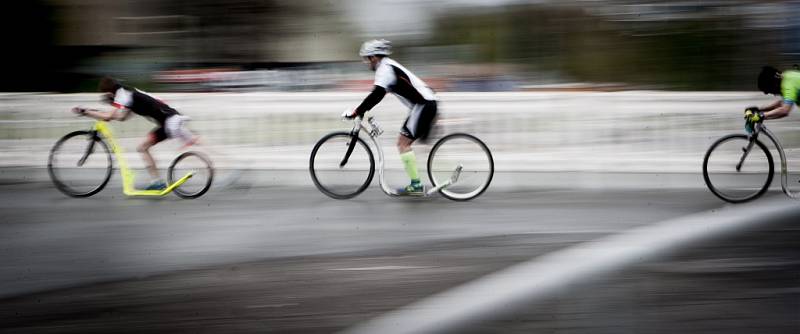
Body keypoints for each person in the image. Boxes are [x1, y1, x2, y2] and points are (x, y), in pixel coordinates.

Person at [343, 39, 438, 196]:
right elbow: (378, 95)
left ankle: (416, 185)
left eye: (367, 59)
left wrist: (357, 111)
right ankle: (424, 177)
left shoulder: (385, 69)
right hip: (425, 104)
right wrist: (361, 109)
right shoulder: (388, 66)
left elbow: (377, 94)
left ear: (374, 57)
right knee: (413, 144)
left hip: (423, 105)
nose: (366, 63)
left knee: (402, 143)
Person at [72, 77, 197, 190]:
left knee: (143, 148)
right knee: (144, 147)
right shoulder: (129, 94)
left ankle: (158, 182)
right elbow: (122, 118)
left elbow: (109, 116)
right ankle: (158, 181)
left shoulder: (123, 96)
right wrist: (99, 112)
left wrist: (86, 112)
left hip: (169, 122)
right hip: (169, 119)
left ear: (110, 92)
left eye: (108, 94)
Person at [744, 66, 800, 131]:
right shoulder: (786, 77)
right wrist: (759, 110)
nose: (773, 94)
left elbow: (784, 111)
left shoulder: (788, 84)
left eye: (770, 90)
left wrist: (762, 115)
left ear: (774, 84)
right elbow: (781, 104)